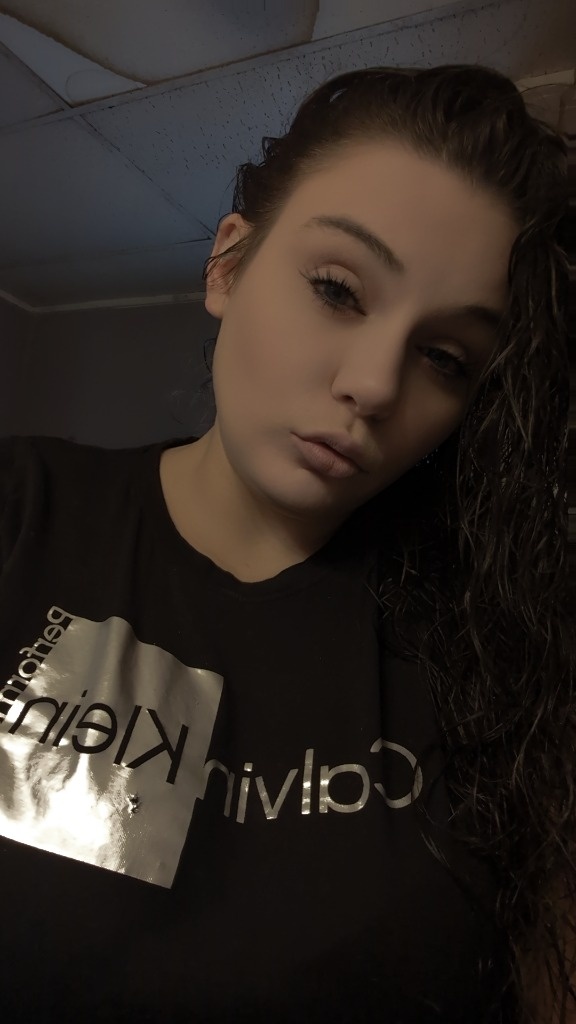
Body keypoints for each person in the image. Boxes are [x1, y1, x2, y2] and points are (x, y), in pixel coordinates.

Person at [0, 63, 574, 1024]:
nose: (376, 384)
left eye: (445, 357)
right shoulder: (22, 512)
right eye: (339, 290)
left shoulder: (491, 640)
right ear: (228, 265)